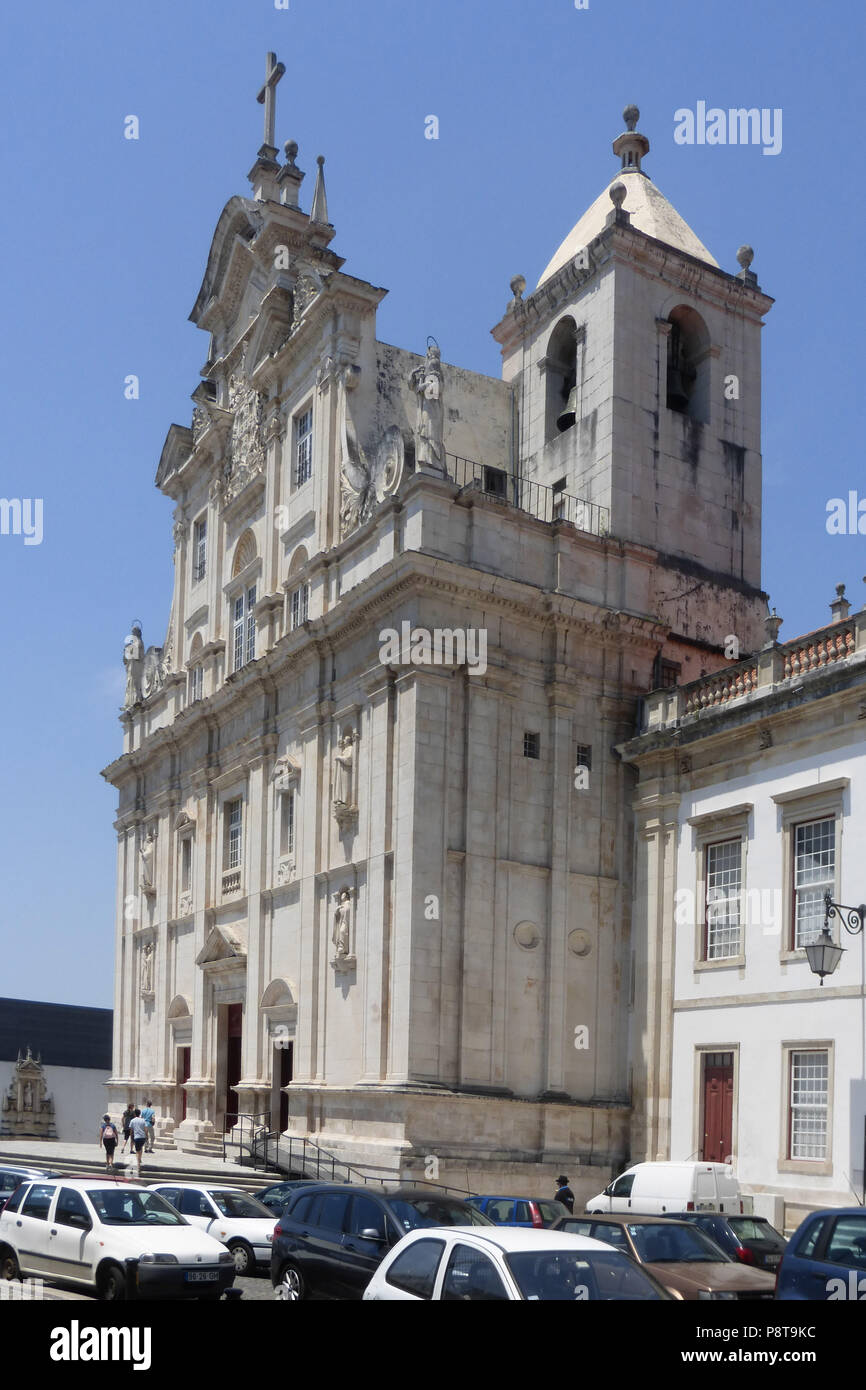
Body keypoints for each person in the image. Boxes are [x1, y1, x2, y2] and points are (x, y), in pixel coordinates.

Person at [128, 1108, 148, 1174]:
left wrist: (131, 1137)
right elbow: (146, 1129)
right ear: (140, 1113)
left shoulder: (132, 1120)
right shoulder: (143, 1120)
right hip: (143, 1137)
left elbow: (131, 1130)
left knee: (137, 1151)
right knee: (140, 1149)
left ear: (134, 1114)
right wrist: (147, 1136)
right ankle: (139, 1159)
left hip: (137, 1137)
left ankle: (138, 1167)